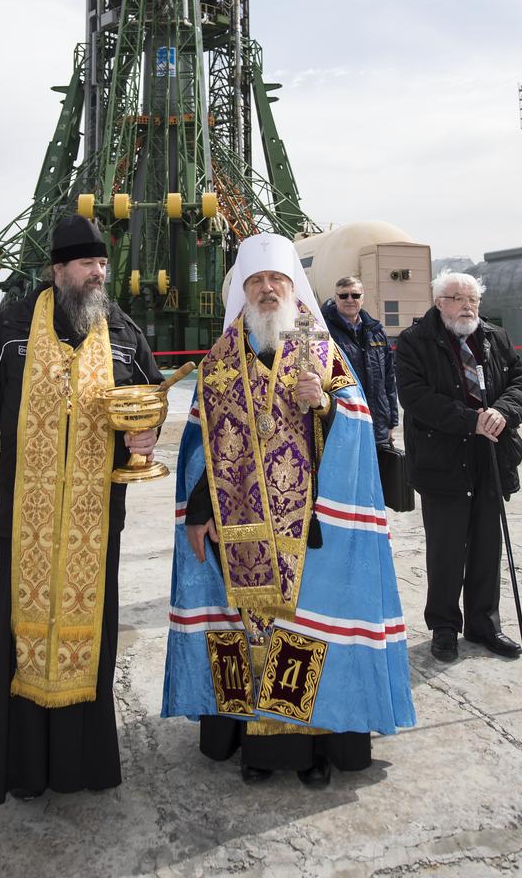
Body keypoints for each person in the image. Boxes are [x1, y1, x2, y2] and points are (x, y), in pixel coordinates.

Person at [162, 233, 415, 787]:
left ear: (293, 287)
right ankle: (257, 749)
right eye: (257, 282)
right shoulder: (221, 360)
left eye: (276, 280)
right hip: (240, 526)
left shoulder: (322, 350)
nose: (268, 289)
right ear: (244, 294)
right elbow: (203, 445)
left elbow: (357, 421)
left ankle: (312, 752)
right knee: (250, 632)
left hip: (310, 525)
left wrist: (323, 403)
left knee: (305, 632)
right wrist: (198, 512)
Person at [0, 214, 163, 804]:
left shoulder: (120, 329)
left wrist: (144, 436)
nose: (98, 274)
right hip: (28, 524)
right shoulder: (12, 329)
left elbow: (150, 398)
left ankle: (84, 764)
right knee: (21, 639)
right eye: (87, 264)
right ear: (58, 270)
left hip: (98, 522)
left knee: (91, 637)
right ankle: (26, 768)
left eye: (102, 265)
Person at [395, 270, 522, 664]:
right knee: (446, 549)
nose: (468, 306)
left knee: (489, 546)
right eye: (458, 298)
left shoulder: (494, 337)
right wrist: (468, 419)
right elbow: (415, 397)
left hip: (490, 456)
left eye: (473, 299)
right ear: (440, 302)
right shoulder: (414, 341)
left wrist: (502, 413)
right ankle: (443, 626)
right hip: (443, 459)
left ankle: (484, 624)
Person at [321, 274, 399, 458]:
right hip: (342, 422)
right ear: (335, 298)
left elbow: (389, 380)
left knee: (378, 482)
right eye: (344, 295)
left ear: (362, 298)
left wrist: (391, 422)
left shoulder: (377, 332)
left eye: (355, 295)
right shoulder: (324, 332)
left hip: (377, 424)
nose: (350, 300)